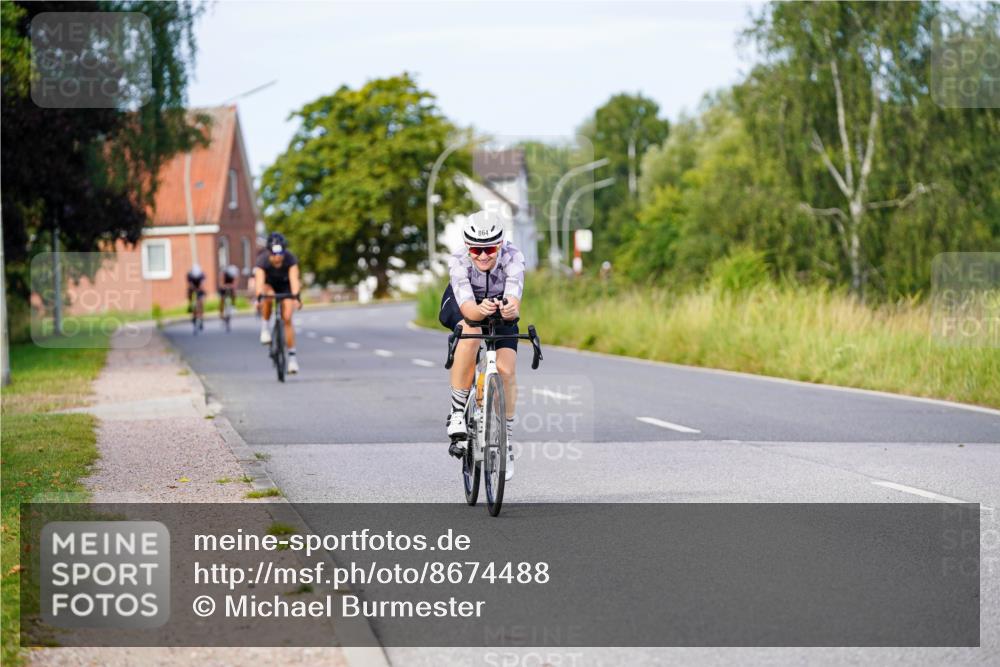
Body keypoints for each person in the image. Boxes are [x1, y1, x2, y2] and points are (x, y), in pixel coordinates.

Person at [439, 209, 525, 481]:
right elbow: (468, 309)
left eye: (489, 248)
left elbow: (513, 300)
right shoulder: (458, 261)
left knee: (507, 370)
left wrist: (510, 310)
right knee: (472, 331)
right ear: (468, 247)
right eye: (476, 250)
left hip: (498, 307)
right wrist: (479, 310)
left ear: (500, 244)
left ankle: (506, 443)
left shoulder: (514, 257)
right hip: (463, 304)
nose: (483, 255)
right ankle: (456, 414)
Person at [254, 232, 302, 374]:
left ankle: (292, 359)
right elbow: (259, 282)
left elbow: (294, 280)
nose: (277, 257)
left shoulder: (290, 259)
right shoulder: (262, 260)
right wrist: (259, 298)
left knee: (287, 318)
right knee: (267, 295)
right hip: (269, 286)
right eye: (274, 254)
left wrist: (296, 297)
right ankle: (265, 328)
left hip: (285, 286)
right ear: (269, 251)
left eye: (280, 253)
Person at [186, 264, 206, 331]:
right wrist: (192, 289)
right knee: (189, 293)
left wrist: (200, 289)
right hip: (193, 289)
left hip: (199, 289)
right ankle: (190, 305)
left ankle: (201, 319)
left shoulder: (202, 275)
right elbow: (189, 284)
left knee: (201, 303)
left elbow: (202, 285)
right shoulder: (189, 275)